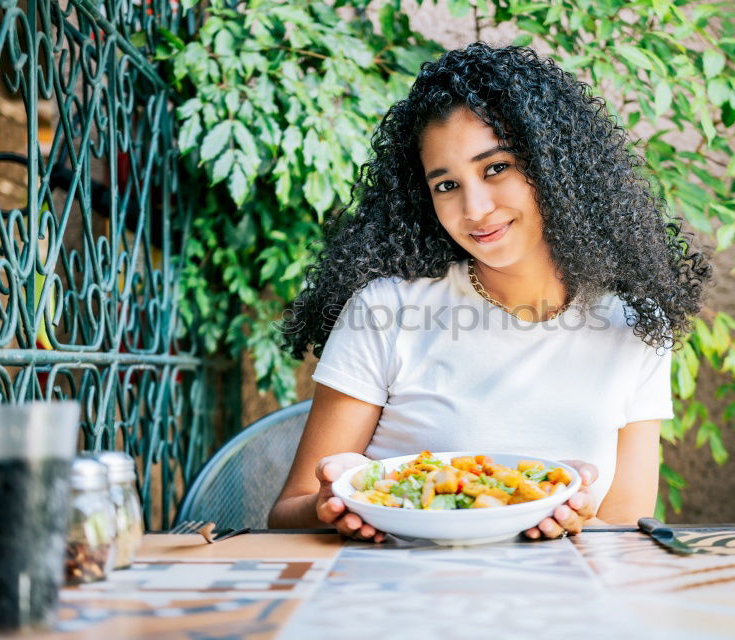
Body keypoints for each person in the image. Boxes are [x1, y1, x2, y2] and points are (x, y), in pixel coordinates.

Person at [268, 42, 710, 541]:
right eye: (446, 185)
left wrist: (580, 520)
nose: (474, 208)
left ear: (556, 166)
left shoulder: (632, 324)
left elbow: (627, 530)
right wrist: (329, 504)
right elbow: (287, 512)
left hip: (563, 605)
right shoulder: (387, 309)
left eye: (495, 168)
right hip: (396, 597)